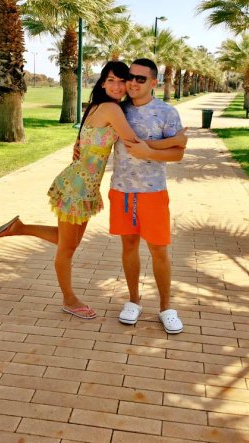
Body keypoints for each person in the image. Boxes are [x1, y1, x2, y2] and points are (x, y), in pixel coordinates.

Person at [0, 61, 187, 320]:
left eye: (123, 80)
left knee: (68, 240)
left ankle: (20, 228)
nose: (120, 85)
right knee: (67, 248)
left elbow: (89, 140)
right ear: (102, 83)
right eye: (112, 80)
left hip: (83, 184)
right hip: (78, 186)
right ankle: (69, 299)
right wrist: (176, 140)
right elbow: (134, 144)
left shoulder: (101, 106)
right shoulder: (112, 109)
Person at [109, 58, 185, 334]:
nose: (133, 83)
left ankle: (166, 308)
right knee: (129, 247)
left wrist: (150, 152)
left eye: (140, 79)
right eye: (130, 77)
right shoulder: (118, 109)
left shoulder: (166, 112)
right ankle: (134, 301)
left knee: (159, 250)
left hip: (153, 192)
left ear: (154, 82)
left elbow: (178, 153)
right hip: (122, 190)